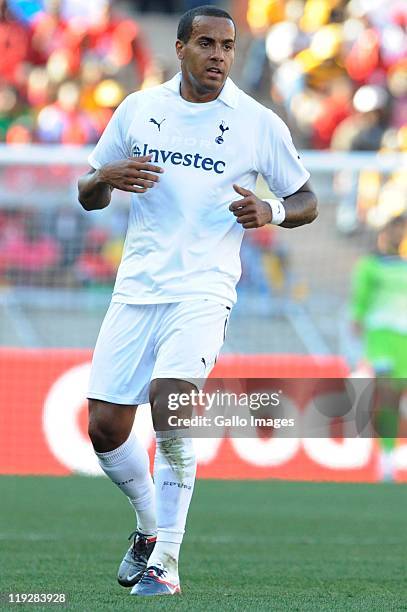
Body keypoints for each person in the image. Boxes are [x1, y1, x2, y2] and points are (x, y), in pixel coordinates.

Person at [78, 4, 317, 598]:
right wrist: (106, 176)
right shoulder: (140, 109)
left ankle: (167, 564)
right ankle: (148, 526)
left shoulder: (256, 122)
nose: (218, 55)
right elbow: (87, 194)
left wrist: (274, 211)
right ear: (180, 48)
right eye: (206, 43)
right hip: (136, 290)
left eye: (228, 46)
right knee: (105, 429)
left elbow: (306, 196)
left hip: (205, 289)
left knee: (172, 406)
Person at [351, 214, 407, 481]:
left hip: (404, 339)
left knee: (396, 400)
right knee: (389, 397)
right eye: (396, 229)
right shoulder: (370, 265)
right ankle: (386, 461)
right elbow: (359, 301)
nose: (399, 235)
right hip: (381, 337)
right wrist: (357, 318)